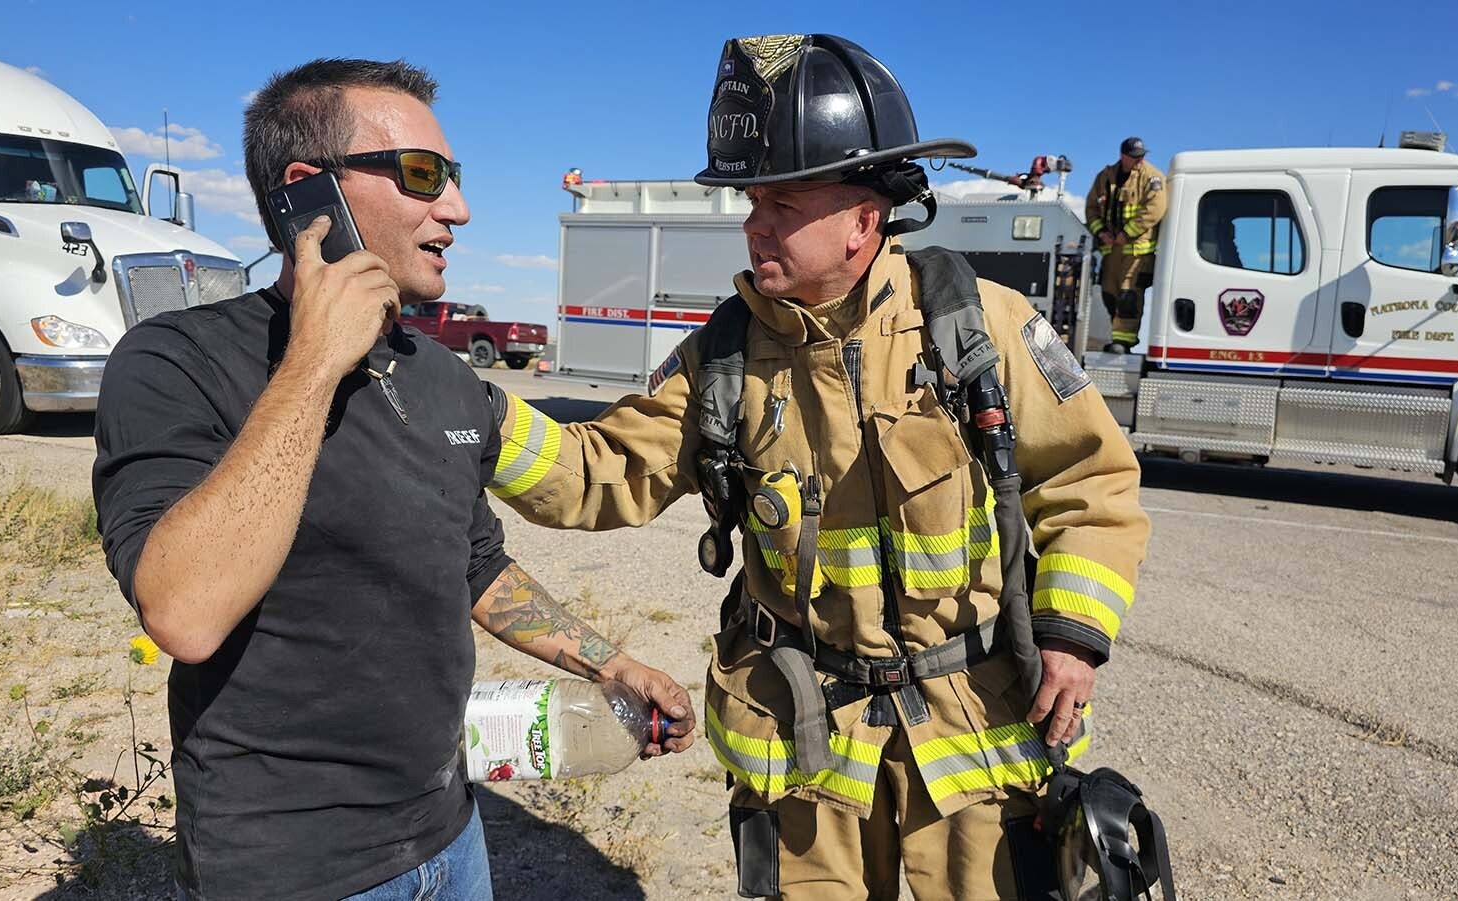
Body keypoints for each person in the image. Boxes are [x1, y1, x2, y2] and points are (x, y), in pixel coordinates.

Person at [479, 34, 1150, 900]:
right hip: (806, 746)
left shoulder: (978, 327)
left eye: (782, 203)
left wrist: (1070, 639)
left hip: (977, 731)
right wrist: (472, 418)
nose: (753, 223)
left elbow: (1091, 485)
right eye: (750, 201)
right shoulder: (719, 358)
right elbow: (594, 472)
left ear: (864, 220)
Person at [91, 58, 695, 901]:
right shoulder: (176, 363)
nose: (458, 207)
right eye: (423, 175)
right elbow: (183, 611)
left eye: (455, 178)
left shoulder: (442, 378)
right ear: (310, 193)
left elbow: (475, 563)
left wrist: (609, 663)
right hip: (291, 869)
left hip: (452, 842)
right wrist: (312, 361)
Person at [1085, 136, 1167, 353]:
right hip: (1111, 249)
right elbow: (1091, 209)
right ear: (1123, 156)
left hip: (1138, 250)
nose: (1139, 161)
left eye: (1142, 157)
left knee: (1129, 294)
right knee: (1108, 293)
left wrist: (1127, 233)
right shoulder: (1105, 177)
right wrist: (1101, 233)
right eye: (1135, 157)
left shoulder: (1152, 177)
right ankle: (1117, 335)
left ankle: (1124, 342)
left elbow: (1155, 209)